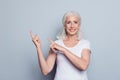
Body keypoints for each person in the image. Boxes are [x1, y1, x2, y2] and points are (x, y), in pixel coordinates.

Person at [30, 11, 91, 80]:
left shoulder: (85, 44)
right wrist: (38, 47)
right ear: (64, 25)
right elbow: (45, 70)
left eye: (75, 22)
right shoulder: (57, 44)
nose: (72, 26)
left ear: (79, 25)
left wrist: (63, 49)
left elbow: (83, 66)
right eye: (68, 22)